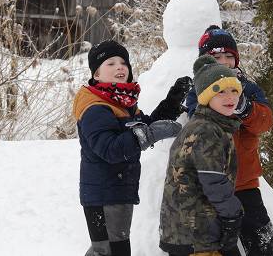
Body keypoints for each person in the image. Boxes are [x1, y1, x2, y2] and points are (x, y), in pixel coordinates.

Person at [73, 40, 191, 256]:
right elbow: (110, 149)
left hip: (116, 190)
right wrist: (151, 134)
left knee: (107, 250)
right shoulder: (95, 108)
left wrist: (171, 103)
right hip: (103, 194)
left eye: (123, 62)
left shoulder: (122, 104)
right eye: (110, 63)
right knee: (110, 250)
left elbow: (147, 126)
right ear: (96, 75)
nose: (120, 67)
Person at [186, 26, 273, 256]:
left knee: (264, 245)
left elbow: (265, 122)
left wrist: (245, 108)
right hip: (213, 187)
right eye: (216, 57)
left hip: (245, 183)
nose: (224, 62)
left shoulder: (248, 88)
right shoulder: (197, 91)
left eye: (229, 56)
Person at [159, 55, 244, 256]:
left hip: (188, 230)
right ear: (206, 97)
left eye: (234, 90)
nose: (230, 97)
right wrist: (234, 214)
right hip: (197, 233)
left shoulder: (206, 125)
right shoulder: (207, 131)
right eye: (220, 91)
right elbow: (213, 181)